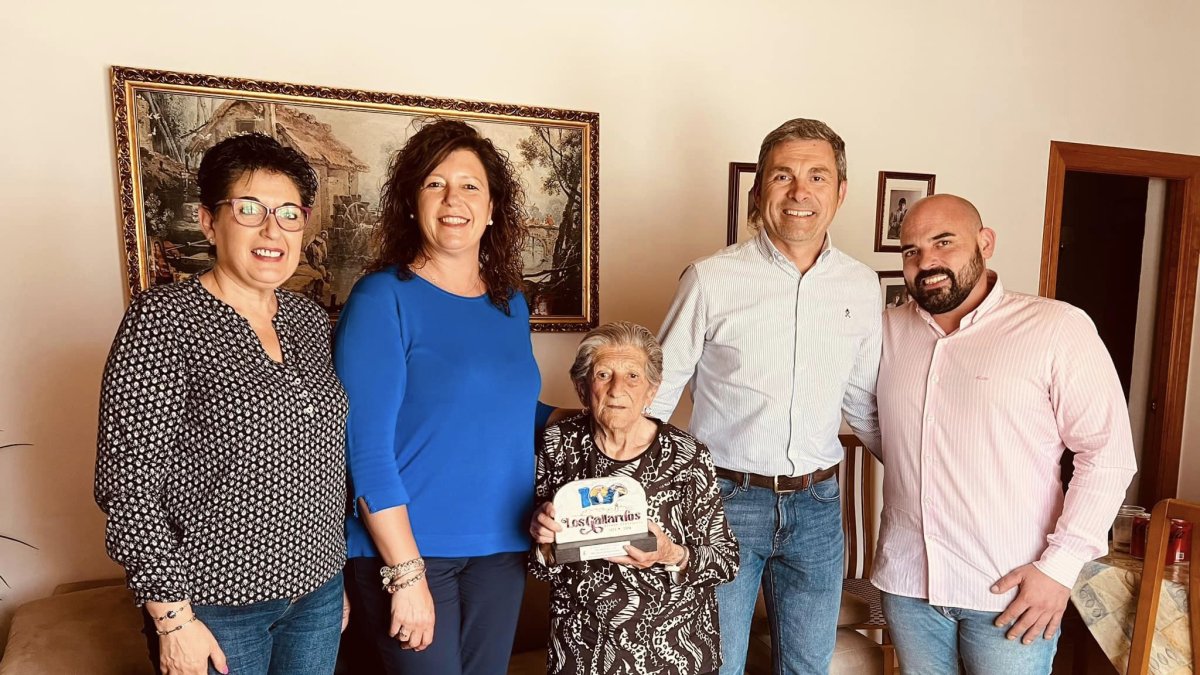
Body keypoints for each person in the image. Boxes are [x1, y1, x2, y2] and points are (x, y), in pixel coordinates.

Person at [95, 132, 349, 675]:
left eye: (288, 213)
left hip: (318, 594)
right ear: (210, 220)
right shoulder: (163, 319)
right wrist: (172, 620)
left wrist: (334, 579)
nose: (271, 229)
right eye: (250, 208)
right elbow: (128, 483)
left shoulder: (307, 320)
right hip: (213, 604)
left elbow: (325, 460)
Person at [649, 118, 882, 675]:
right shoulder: (710, 279)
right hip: (725, 501)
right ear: (760, 192)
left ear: (840, 193)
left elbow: (865, 404)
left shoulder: (861, 285)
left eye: (817, 177)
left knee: (807, 667)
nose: (801, 192)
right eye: (783, 176)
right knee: (718, 665)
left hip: (819, 509)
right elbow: (656, 394)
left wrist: (927, 473)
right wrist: (637, 499)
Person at [872, 194, 1137, 674]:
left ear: (985, 242)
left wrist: (1059, 569)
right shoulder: (886, 331)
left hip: (1012, 592)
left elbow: (1108, 456)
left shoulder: (1058, 327)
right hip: (909, 586)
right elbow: (878, 426)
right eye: (911, 251)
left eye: (943, 242)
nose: (926, 261)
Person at [335, 119, 550, 674]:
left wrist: (602, 414)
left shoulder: (510, 305)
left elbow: (510, 412)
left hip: (502, 545)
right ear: (411, 202)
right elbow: (366, 450)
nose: (453, 199)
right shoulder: (382, 297)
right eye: (435, 184)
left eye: (470, 185)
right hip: (409, 552)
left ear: (494, 207)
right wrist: (406, 574)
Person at [529, 321, 738, 675]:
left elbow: (726, 561)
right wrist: (542, 539)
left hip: (674, 649)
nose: (616, 390)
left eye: (632, 377)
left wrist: (671, 553)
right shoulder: (558, 445)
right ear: (582, 389)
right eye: (603, 374)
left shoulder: (687, 456)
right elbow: (539, 565)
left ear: (652, 391)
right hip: (582, 650)